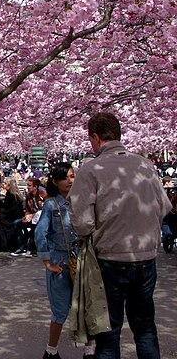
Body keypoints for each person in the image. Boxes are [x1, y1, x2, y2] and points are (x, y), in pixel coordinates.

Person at [69, 112, 172, 359]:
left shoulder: (91, 169)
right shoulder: (146, 165)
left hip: (110, 259)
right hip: (146, 257)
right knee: (145, 328)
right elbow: (165, 207)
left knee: (109, 334)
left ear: (95, 137)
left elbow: (82, 223)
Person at [35, 163, 95, 359]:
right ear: (55, 181)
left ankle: (90, 348)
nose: (70, 181)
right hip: (59, 260)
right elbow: (40, 233)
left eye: (72, 176)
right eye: (65, 178)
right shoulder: (52, 205)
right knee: (60, 310)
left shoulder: (81, 201)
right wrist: (47, 262)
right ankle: (51, 350)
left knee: (85, 304)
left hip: (81, 258)